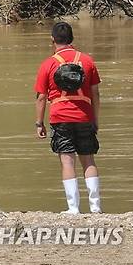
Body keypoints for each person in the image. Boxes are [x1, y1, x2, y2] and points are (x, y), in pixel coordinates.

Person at [34, 22, 101, 214]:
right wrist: (96, 120)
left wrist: (39, 122)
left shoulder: (48, 64)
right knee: (88, 160)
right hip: (85, 115)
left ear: (53, 40)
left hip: (60, 116)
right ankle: (95, 207)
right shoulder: (87, 61)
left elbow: (41, 97)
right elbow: (96, 94)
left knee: (67, 161)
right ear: (72, 39)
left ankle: (73, 208)